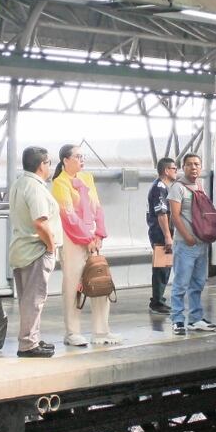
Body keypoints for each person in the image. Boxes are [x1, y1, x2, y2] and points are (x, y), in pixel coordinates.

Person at [51, 144, 120, 347]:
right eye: (78, 156)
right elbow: (68, 216)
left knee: (100, 279)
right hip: (73, 240)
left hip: (92, 239)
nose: (82, 160)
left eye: (83, 156)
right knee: (73, 286)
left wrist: (99, 234)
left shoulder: (87, 178)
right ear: (65, 160)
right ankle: (72, 332)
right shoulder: (59, 183)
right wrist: (87, 239)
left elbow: (98, 208)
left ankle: (101, 331)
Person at [8, 146, 62, 358]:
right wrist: (50, 247)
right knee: (34, 300)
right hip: (35, 250)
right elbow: (40, 222)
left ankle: (32, 338)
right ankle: (28, 344)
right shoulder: (36, 188)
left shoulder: (20, 183)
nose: (50, 166)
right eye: (49, 163)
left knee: (27, 299)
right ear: (42, 165)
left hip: (21, 249)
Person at [167, 153, 216, 336]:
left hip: (201, 243)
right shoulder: (177, 188)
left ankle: (196, 319)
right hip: (185, 244)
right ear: (183, 167)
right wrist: (187, 236)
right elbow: (175, 215)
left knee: (198, 283)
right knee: (181, 283)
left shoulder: (200, 186)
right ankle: (178, 319)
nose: (194, 167)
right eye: (189, 164)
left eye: (197, 164)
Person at [146, 157, 177, 315]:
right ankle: (157, 302)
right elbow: (161, 213)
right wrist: (167, 236)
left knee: (165, 267)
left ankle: (159, 299)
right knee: (161, 267)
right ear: (166, 170)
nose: (176, 172)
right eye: (174, 169)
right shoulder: (160, 188)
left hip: (164, 232)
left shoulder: (166, 187)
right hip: (160, 233)